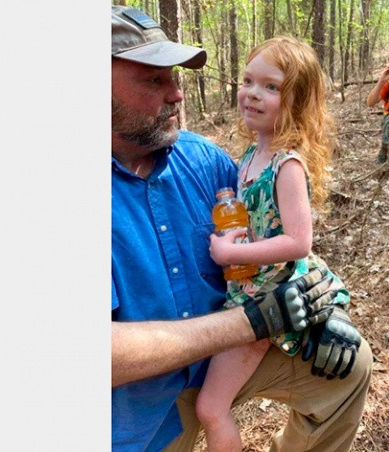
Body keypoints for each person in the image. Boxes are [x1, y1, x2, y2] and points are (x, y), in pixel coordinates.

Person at [110, 6, 373, 452]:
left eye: (175, 77)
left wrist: (326, 303)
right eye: (155, 80)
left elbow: (279, 230)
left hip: (227, 352)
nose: (177, 94)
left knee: (351, 366)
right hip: (136, 406)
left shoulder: (203, 160)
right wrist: (253, 321)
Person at [194, 36, 356, 452]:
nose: (252, 93)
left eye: (271, 86)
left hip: (266, 302)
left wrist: (233, 253)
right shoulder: (250, 155)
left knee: (212, 408)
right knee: (210, 404)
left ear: (296, 101)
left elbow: (299, 242)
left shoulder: (287, 164)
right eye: (248, 80)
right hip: (243, 289)